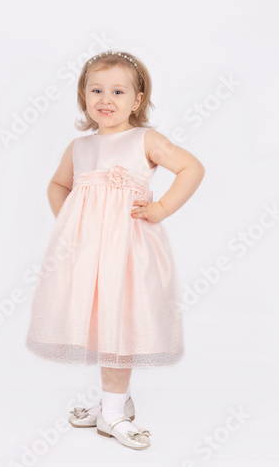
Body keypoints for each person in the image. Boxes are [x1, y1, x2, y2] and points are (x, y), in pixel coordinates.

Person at [25, 50, 205, 450]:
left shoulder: (145, 139)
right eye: (96, 90)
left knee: (120, 320)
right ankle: (114, 401)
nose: (106, 99)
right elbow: (58, 186)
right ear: (84, 97)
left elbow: (192, 168)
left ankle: (112, 413)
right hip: (86, 252)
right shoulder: (80, 147)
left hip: (129, 250)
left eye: (118, 91)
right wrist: (71, 221)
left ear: (137, 100)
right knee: (96, 320)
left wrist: (160, 208)